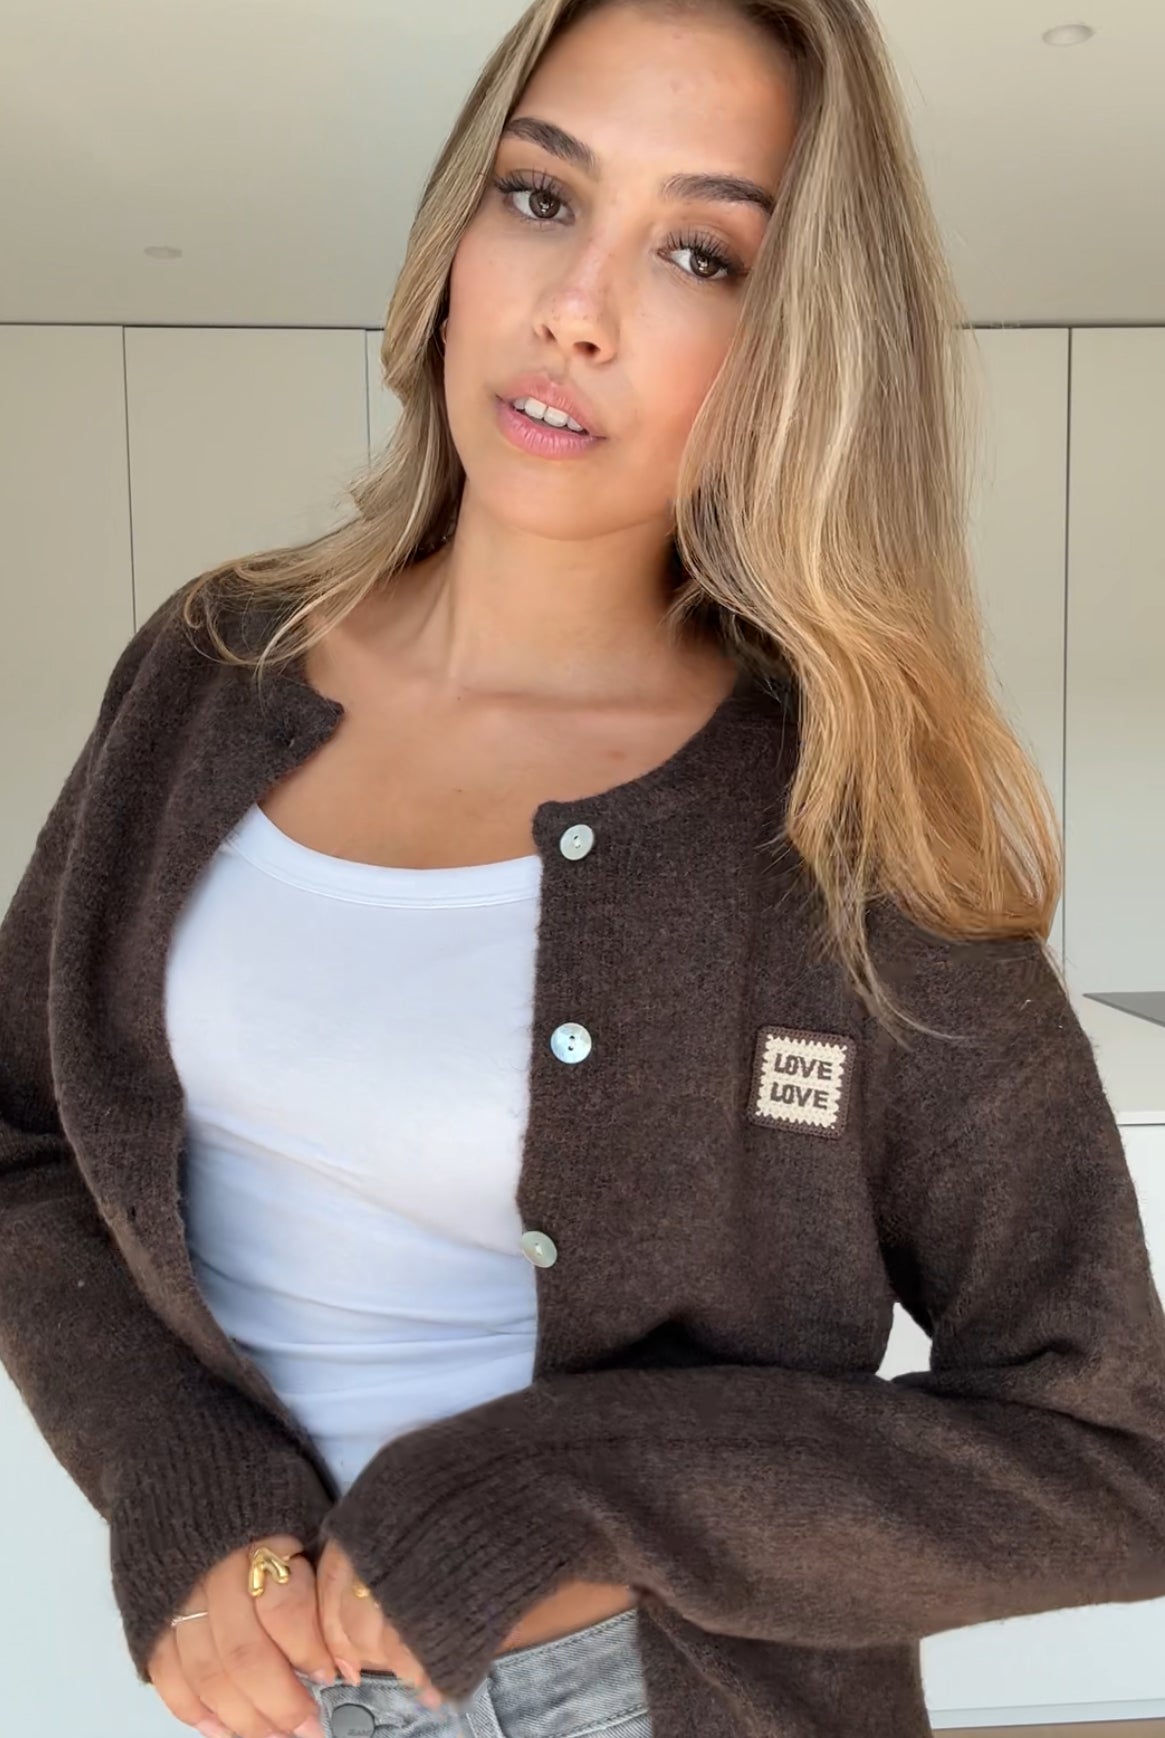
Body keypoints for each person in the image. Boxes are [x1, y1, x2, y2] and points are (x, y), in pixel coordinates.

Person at [3, 1, 1165, 1736]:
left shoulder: (842, 820)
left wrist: (570, 1491)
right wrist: (182, 1486)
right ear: (458, 230)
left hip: (635, 1693)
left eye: (700, 254)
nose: (574, 309)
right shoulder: (209, 667)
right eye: (542, 197)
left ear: (797, 344)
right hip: (251, 1683)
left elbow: (1111, 1449)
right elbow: (24, 1138)